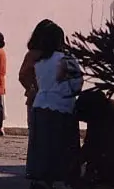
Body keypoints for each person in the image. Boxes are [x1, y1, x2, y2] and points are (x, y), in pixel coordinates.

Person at [26, 21, 83, 189]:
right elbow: (77, 85)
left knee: (43, 146)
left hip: (41, 104)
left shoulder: (40, 62)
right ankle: (65, 177)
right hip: (62, 107)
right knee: (63, 146)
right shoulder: (67, 60)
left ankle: (42, 179)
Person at [19, 19, 54, 127]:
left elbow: (23, 75)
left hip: (36, 97)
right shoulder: (58, 56)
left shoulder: (32, 55)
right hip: (52, 98)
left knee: (35, 131)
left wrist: (32, 88)